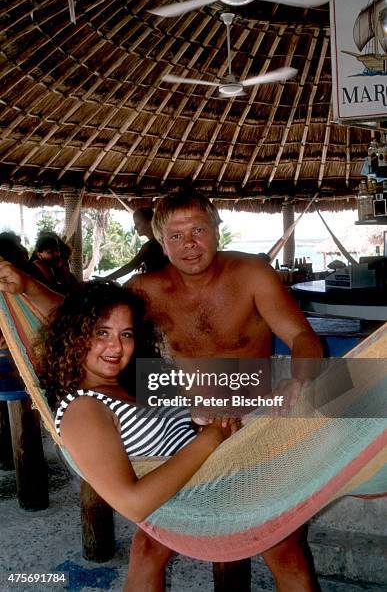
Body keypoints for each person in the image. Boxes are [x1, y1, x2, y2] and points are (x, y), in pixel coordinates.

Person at [0, 190, 322, 591]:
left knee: (284, 547)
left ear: (216, 230)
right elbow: (85, 325)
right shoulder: (147, 289)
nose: (190, 244)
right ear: (159, 241)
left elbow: (303, 338)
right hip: (186, 424)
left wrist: (300, 379)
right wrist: (28, 287)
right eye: (176, 235)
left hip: (254, 422)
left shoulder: (252, 274)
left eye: (199, 230)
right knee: (148, 550)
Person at [37, 280, 236, 591]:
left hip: (225, 466)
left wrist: (202, 418)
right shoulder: (84, 409)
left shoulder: (131, 381)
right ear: (75, 335)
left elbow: (181, 421)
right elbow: (134, 504)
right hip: (214, 485)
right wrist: (209, 440)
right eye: (101, 332)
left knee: (147, 551)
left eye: (125, 334)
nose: (116, 347)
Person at [107, 208, 168, 281]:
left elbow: (130, 266)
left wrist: (106, 278)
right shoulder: (164, 241)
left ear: (150, 223)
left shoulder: (150, 246)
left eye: (138, 224)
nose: (135, 227)